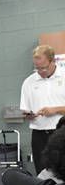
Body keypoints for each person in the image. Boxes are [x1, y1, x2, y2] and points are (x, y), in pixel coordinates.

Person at [19, 45, 65, 174]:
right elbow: (25, 110)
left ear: (53, 61)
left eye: (43, 67)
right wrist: (29, 115)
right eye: (37, 68)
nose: (40, 71)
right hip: (39, 134)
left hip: (61, 130)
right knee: (42, 171)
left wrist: (55, 110)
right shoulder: (28, 82)